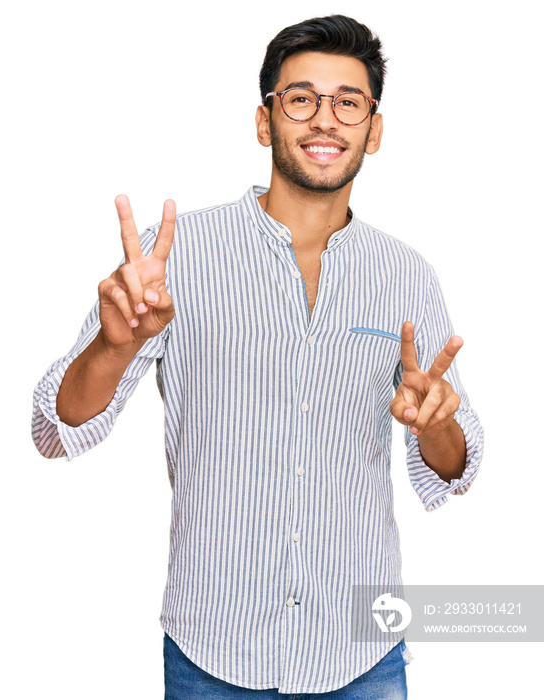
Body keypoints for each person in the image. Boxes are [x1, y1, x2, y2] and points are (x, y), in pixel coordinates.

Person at [32, 14, 484, 699]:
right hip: (213, 650)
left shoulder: (408, 276)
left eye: (348, 102)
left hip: (360, 654)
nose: (324, 120)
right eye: (300, 99)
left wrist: (435, 427)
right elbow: (54, 431)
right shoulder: (174, 257)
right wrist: (112, 343)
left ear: (375, 128)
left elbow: (453, 469)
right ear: (265, 121)